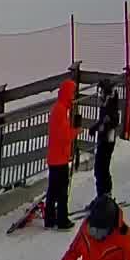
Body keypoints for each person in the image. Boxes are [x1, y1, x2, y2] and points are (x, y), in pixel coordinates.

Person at [42, 78, 78, 229]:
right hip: (60, 158)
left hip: (55, 157)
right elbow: (63, 136)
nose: (74, 97)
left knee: (53, 189)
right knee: (61, 190)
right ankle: (62, 220)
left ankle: (50, 219)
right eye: (72, 93)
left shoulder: (60, 108)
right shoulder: (61, 111)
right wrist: (75, 131)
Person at [89, 80, 121, 198]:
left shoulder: (111, 104)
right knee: (99, 168)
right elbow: (103, 120)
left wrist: (105, 126)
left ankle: (106, 195)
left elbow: (114, 120)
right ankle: (101, 195)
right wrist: (95, 127)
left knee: (102, 169)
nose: (100, 95)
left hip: (108, 141)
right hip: (103, 139)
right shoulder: (106, 104)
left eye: (102, 92)